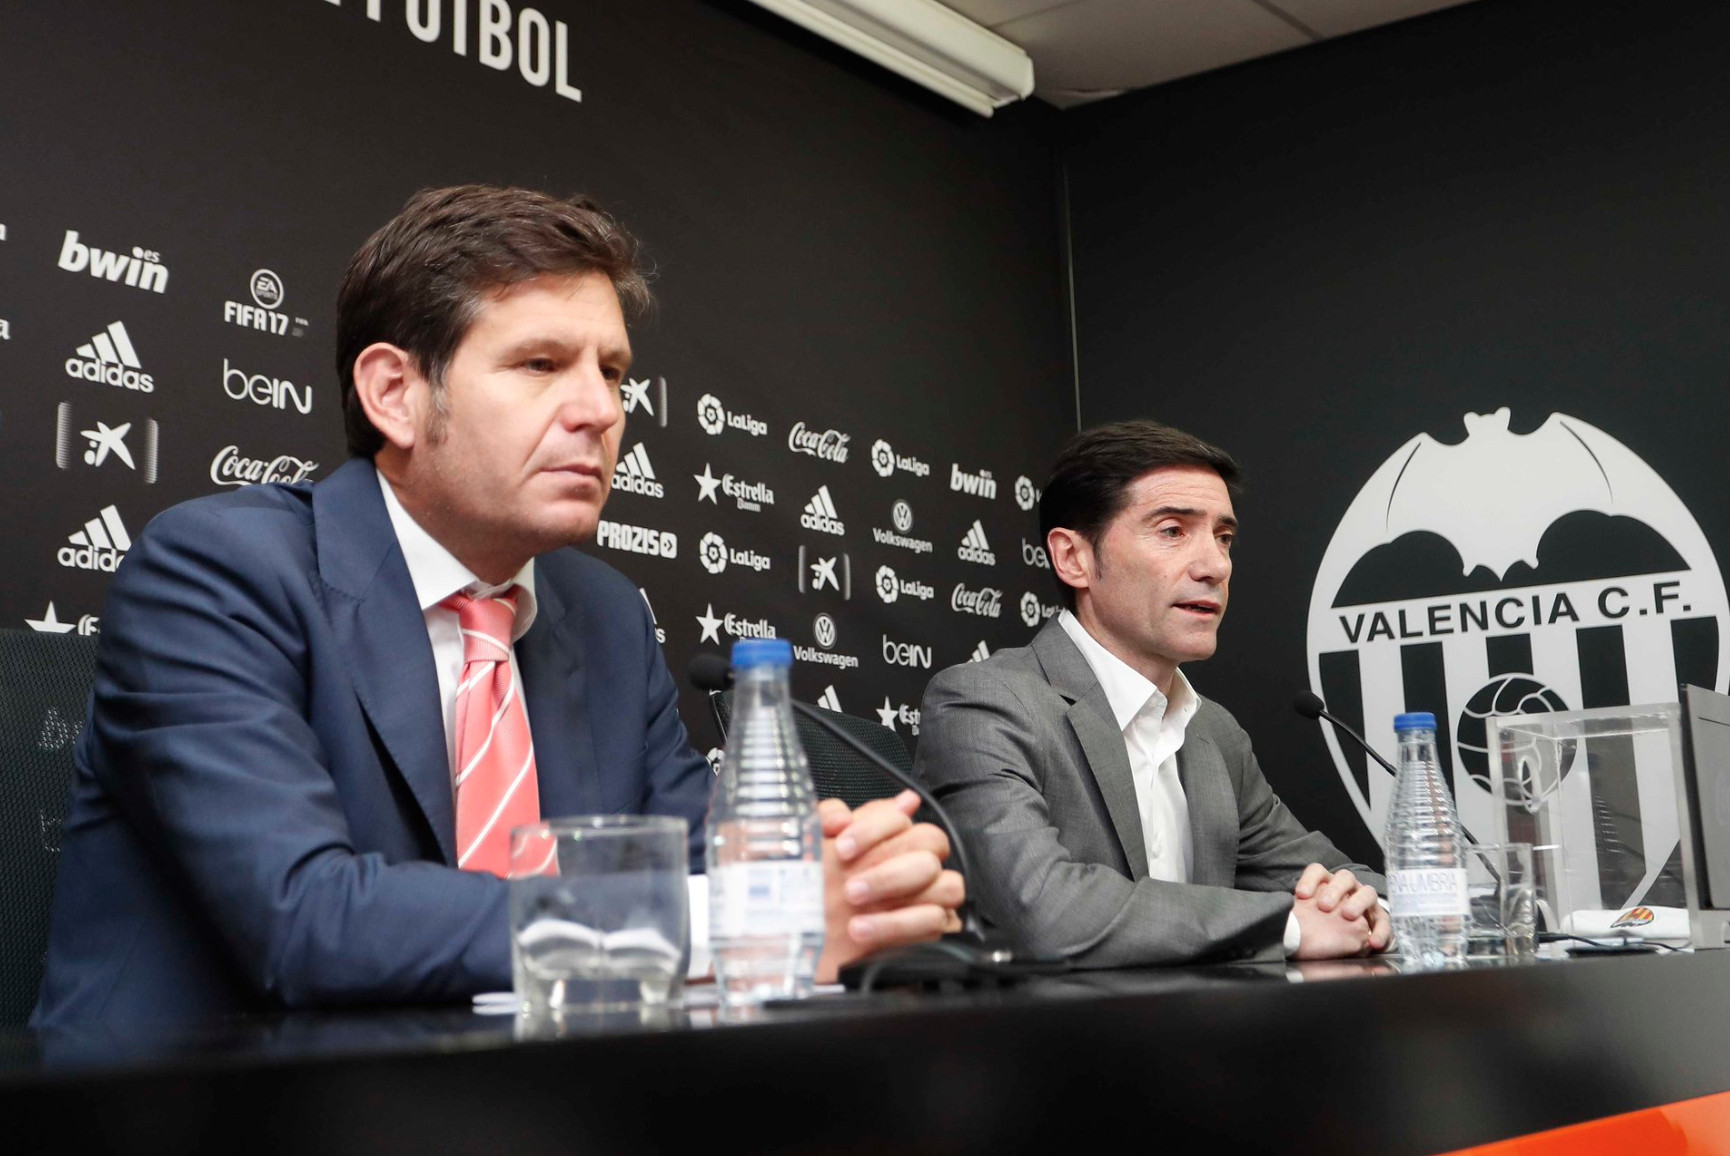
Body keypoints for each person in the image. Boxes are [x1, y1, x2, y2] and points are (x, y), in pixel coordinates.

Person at [35, 185, 962, 1027]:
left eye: (614, 372)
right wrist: (724, 919)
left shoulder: (602, 613)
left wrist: (839, 883)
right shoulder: (221, 569)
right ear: (395, 393)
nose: (600, 410)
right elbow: (304, 920)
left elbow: (695, 858)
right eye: (540, 364)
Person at [915, 420, 1388, 967]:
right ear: (1074, 559)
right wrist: (1287, 927)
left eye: (1224, 537)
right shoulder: (986, 703)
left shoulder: (1212, 731)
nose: (1214, 566)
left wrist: (1367, 909)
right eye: (1172, 531)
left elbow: (1333, 880)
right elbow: (1042, 908)